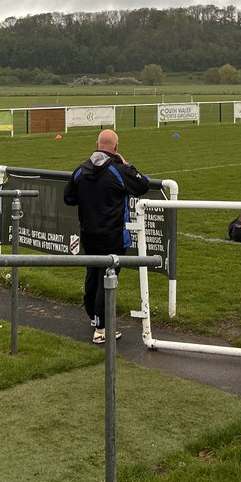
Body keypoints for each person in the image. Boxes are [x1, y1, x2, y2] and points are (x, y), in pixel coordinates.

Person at [63, 129, 150, 344]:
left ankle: (93, 317)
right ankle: (101, 329)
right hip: (112, 236)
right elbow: (142, 186)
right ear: (116, 147)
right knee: (107, 279)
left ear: (97, 144)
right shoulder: (118, 170)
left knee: (92, 275)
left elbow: (68, 197)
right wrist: (127, 164)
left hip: (89, 235)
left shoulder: (81, 170)